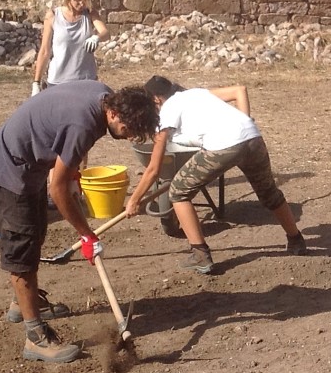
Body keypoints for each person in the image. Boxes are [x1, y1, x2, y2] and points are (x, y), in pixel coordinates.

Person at [0, 81, 158, 363]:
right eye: (128, 130)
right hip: (10, 171)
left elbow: (58, 135)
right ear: (114, 114)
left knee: (36, 232)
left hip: (28, 164)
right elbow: (58, 189)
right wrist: (86, 235)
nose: (128, 138)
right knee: (23, 249)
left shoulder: (101, 94)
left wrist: (73, 172)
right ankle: (35, 338)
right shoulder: (83, 124)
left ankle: (22, 303)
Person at [127, 76, 306, 275]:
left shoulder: (167, 110)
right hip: (252, 136)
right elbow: (237, 92)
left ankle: (200, 255)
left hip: (224, 146)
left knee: (178, 191)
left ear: (156, 100)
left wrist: (135, 200)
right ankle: (296, 239)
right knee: (269, 192)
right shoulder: (195, 93)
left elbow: (153, 168)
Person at [30, 0, 109, 94]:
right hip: (58, 82)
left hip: (86, 81)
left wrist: (96, 37)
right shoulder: (53, 15)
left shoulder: (90, 14)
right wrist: (36, 83)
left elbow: (106, 33)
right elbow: (45, 51)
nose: (81, 3)